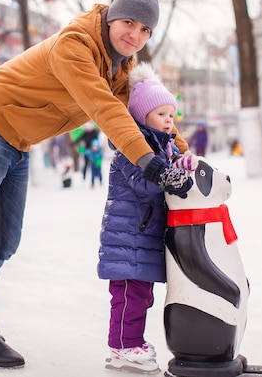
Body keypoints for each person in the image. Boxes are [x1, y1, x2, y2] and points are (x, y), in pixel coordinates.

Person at [0, 0, 194, 369]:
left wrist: (186, 155)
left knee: (5, 242)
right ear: (111, 17)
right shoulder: (74, 45)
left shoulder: (119, 67)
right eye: (129, 22)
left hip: (20, 141)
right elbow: (104, 109)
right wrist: (150, 162)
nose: (136, 35)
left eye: (145, 30)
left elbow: (147, 113)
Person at [97, 63, 199, 374]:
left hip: (143, 238)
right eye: (161, 114)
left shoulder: (163, 146)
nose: (169, 120)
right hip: (128, 238)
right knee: (129, 297)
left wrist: (182, 164)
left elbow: (168, 169)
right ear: (142, 117)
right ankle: (123, 348)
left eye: (172, 114)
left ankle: (130, 342)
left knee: (140, 296)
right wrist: (169, 175)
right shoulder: (132, 148)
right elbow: (144, 185)